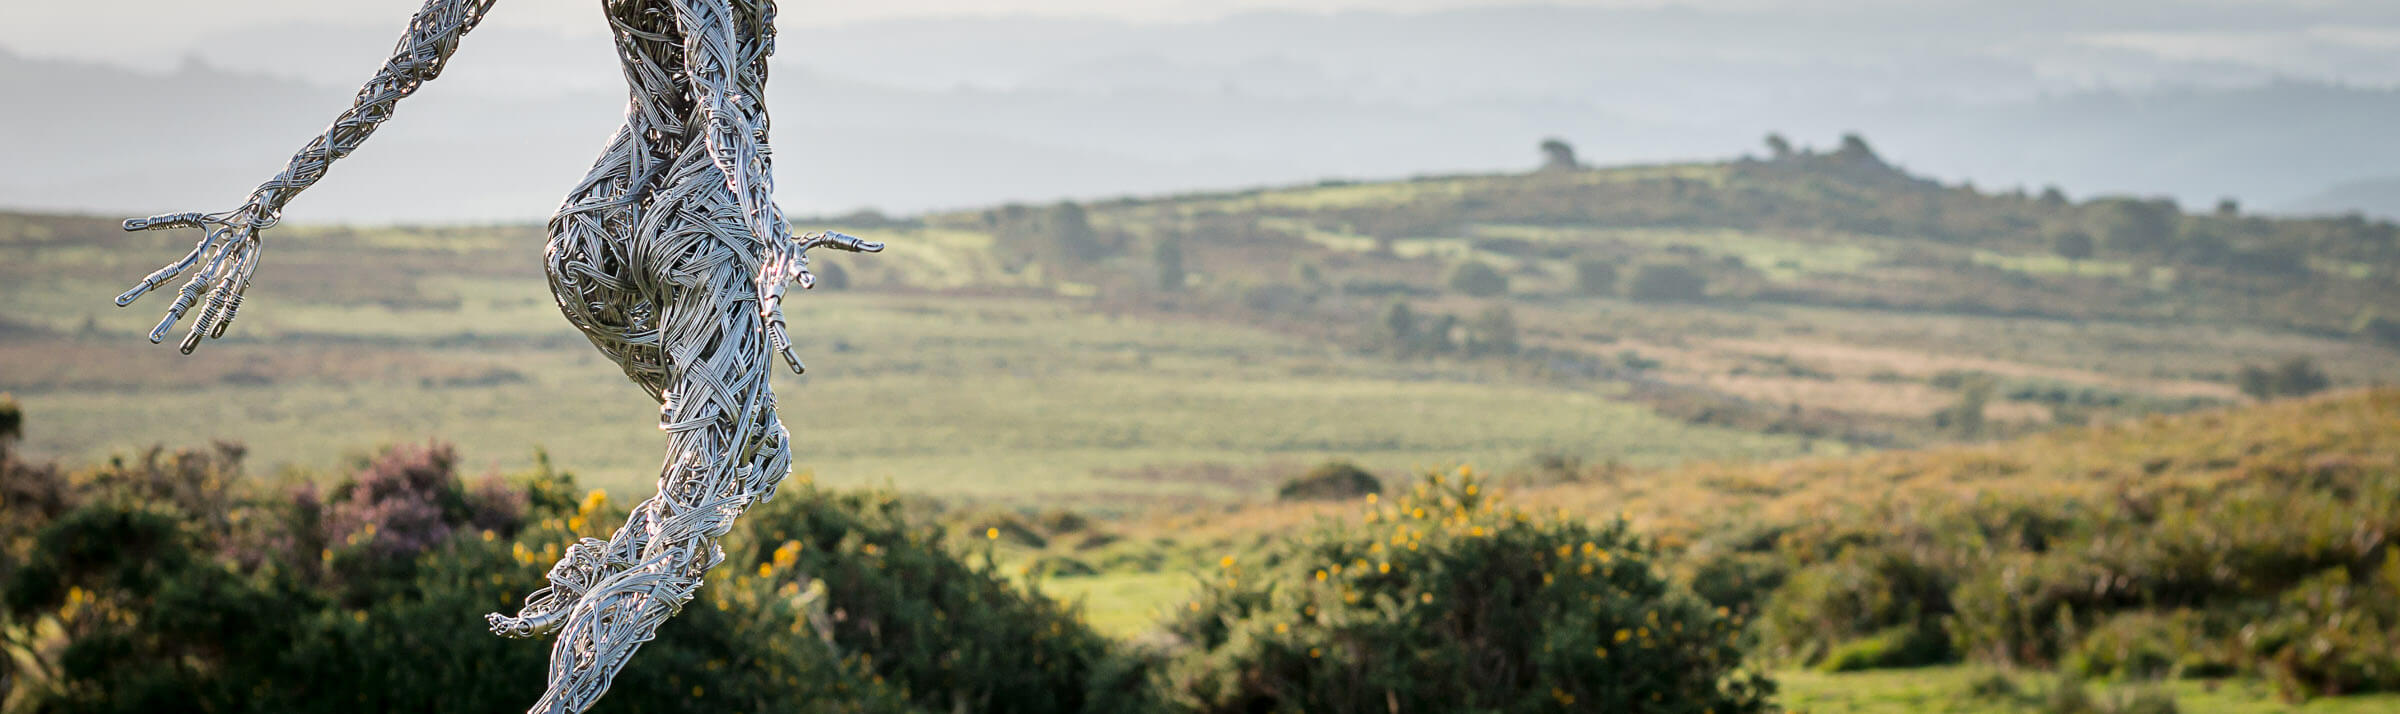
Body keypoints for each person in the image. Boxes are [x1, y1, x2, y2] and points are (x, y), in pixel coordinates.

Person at [110, 1, 876, 711]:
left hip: (592, 229)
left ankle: (719, 469)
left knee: (717, 464)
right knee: (689, 519)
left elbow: (411, 61)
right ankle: (566, 693)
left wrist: (269, 199)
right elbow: (720, 91)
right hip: (702, 217)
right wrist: (765, 225)